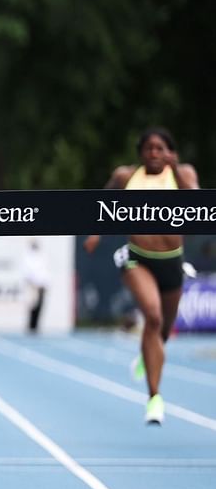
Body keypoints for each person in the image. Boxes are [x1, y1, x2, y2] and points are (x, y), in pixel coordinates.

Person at [84, 127, 199, 426]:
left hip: (172, 261)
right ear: (140, 153)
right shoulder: (126, 176)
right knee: (153, 316)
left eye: (160, 148)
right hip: (138, 258)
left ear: (169, 152)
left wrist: (178, 171)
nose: (154, 154)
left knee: (162, 333)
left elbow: (199, 204)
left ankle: (147, 357)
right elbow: (102, 201)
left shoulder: (182, 173)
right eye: (148, 148)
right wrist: (95, 232)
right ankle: (154, 399)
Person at [23, 240, 48, 334]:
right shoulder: (28, 257)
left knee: (39, 305)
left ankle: (36, 325)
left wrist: (45, 283)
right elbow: (27, 271)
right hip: (33, 284)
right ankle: (31, 325)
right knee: (32, 305)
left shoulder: (41, 256)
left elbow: (44, 271)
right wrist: (33, 282)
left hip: (41, 284)